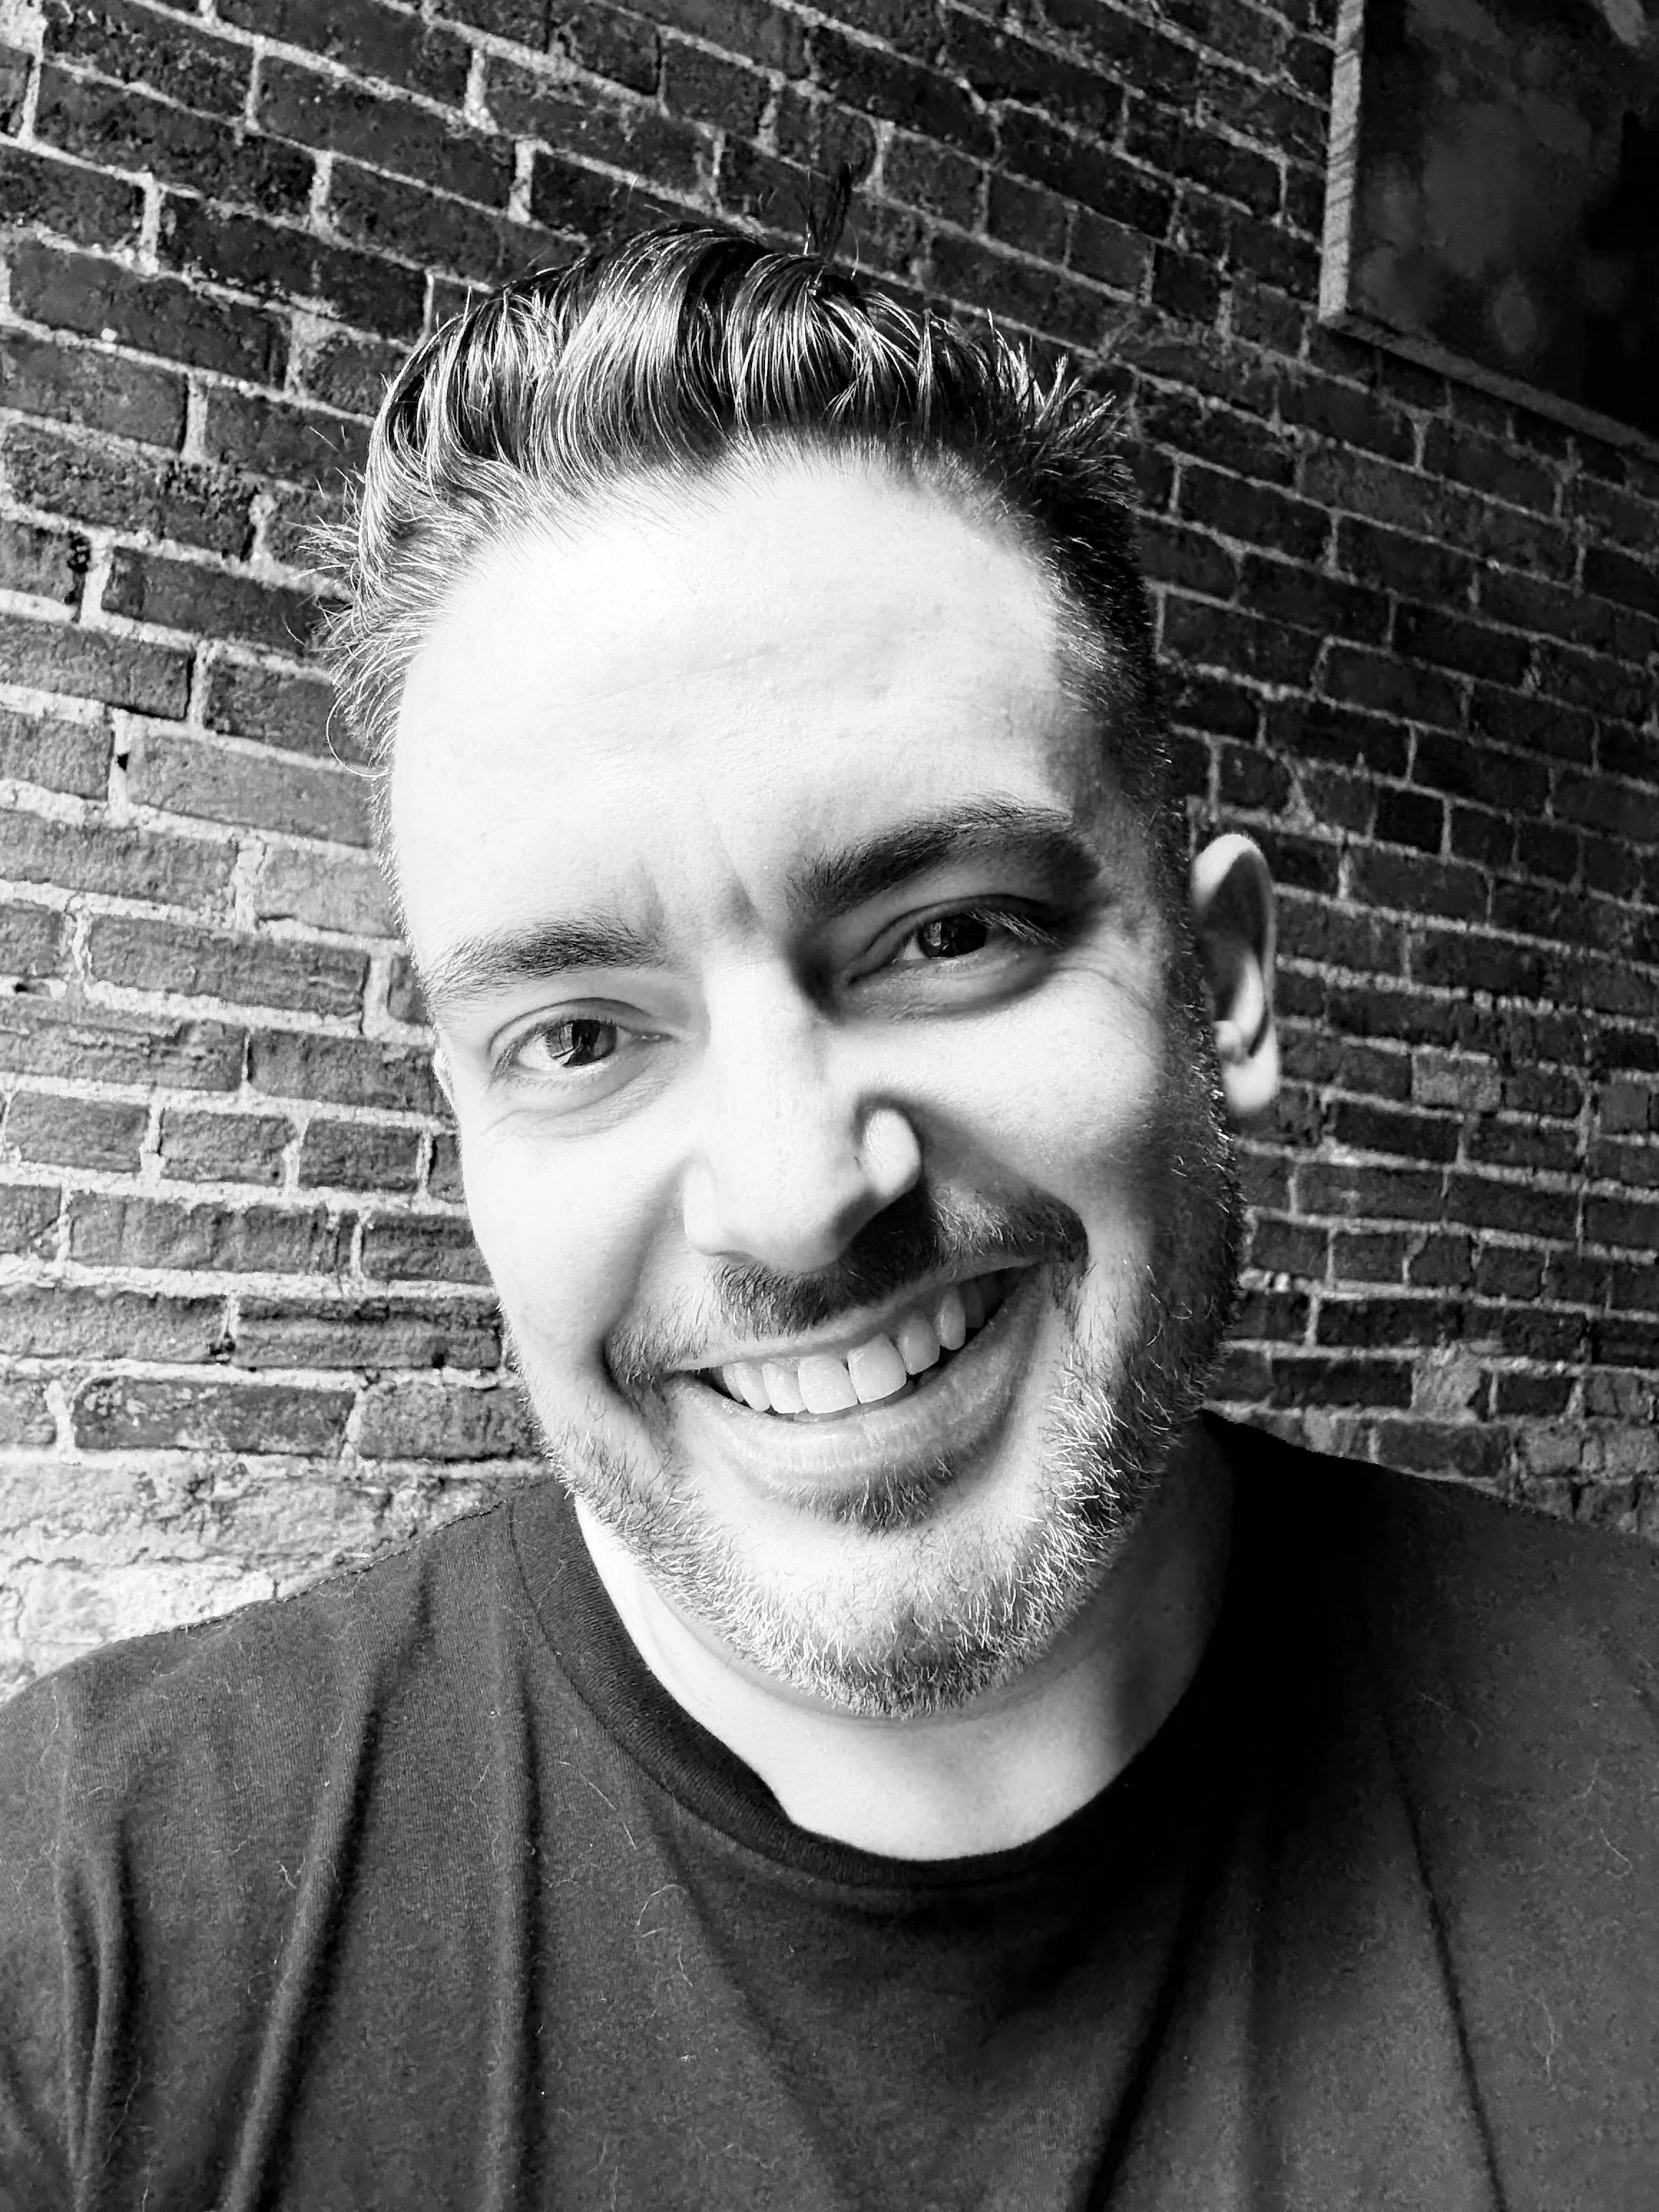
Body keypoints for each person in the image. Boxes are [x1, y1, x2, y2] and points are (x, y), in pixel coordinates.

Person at [1, 216, 1655, 2212]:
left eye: (946, 933)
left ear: (1220, 991)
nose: (793, 1204)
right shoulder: (89, 1924)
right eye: (581, 1030)